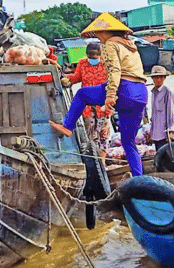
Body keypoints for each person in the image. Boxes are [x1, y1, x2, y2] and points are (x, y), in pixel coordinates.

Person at [50, 12, 148, 177]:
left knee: (81, 94)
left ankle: (68, 127)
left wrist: (110, 95)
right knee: (128, 142)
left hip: (123, 89)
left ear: (105, 32)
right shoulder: (130, 46)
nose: (98, 37)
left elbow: (115, 71)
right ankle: (140, 178)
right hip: (140, 94)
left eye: (98, 33)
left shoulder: (110, 44)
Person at [61, 42, 111, 150]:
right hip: (88, 106)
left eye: (95, 57)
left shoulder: (107, 64)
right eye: (90, 57)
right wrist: (67, 79)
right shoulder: (82, 63)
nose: (93, 59)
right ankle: (96, 159)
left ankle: (103, 161)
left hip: (103, 104)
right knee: (92, 137)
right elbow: (77, 77)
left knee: (103, 136)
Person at [149, 65, 174, 150]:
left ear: (164, 78)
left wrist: (170, 131)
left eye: (160, 77)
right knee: (158, 153)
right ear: (153, 79)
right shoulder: (153, 92)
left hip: (164, 133)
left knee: (165, 155)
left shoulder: (167, 92)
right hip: (155, 132)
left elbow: (170, 112)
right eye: (156, 77)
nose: (158, 80)